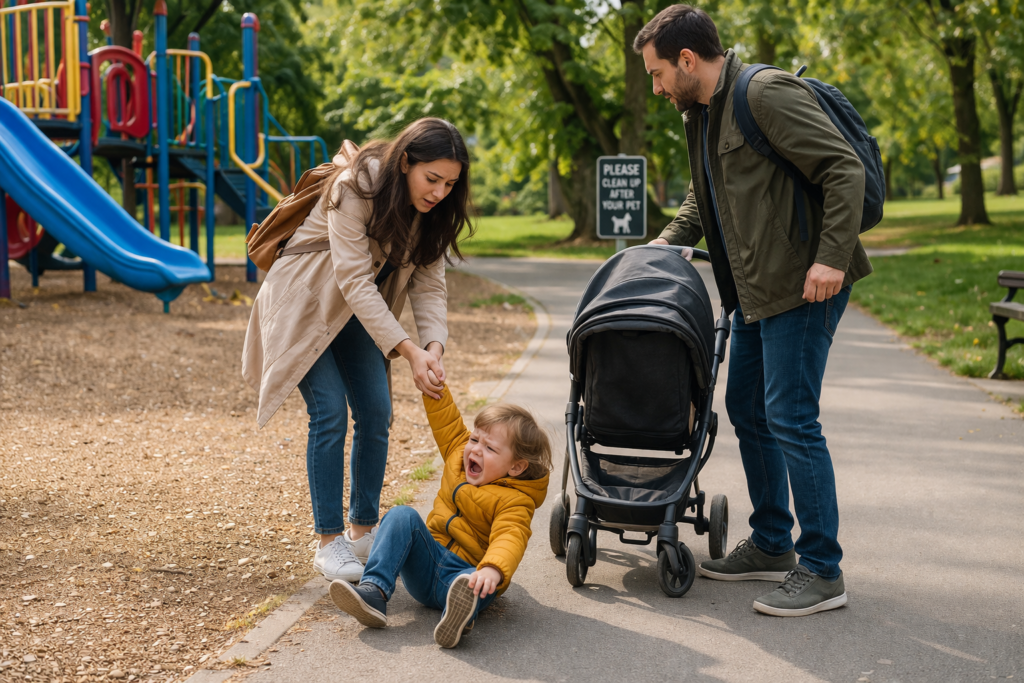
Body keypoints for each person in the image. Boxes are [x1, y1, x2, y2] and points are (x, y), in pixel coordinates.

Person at [633, 5, 873, 616]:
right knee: (747, 407)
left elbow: (842, 167)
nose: (657, 88)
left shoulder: (763, 93)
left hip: (804, 283)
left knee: (790, 415)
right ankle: (772, 543)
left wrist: (831, 258)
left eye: (658, 74)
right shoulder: (703, 114)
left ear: (687, 61)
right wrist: (663, 245)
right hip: (754, 291)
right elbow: (704, 193)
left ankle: (823, 569)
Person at [242, 118, 474, 585]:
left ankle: (363, 531)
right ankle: (329, 542)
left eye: (450, 184)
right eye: (432, 179)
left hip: (357, 310)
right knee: (329, 410)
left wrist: (433, 347)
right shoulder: (356, 187)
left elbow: (429, 285)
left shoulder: (431, 211)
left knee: (376, 410)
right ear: (406, 161)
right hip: (308, 302)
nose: (439, 193)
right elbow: (351, 279)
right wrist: (408, 351)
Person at [328, 385, 550, 648]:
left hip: (467, 575)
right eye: (475, 439)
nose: (475, 450)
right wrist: (433, 383)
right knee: (401, 515)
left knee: (471, 584)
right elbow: (445, 417)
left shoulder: (516, 501)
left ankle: (457, 616)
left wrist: (492, 569)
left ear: (516, 467)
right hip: (427, 564)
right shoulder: (458, 453)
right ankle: (373, 592)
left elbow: (510, 537)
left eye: (490, 448)